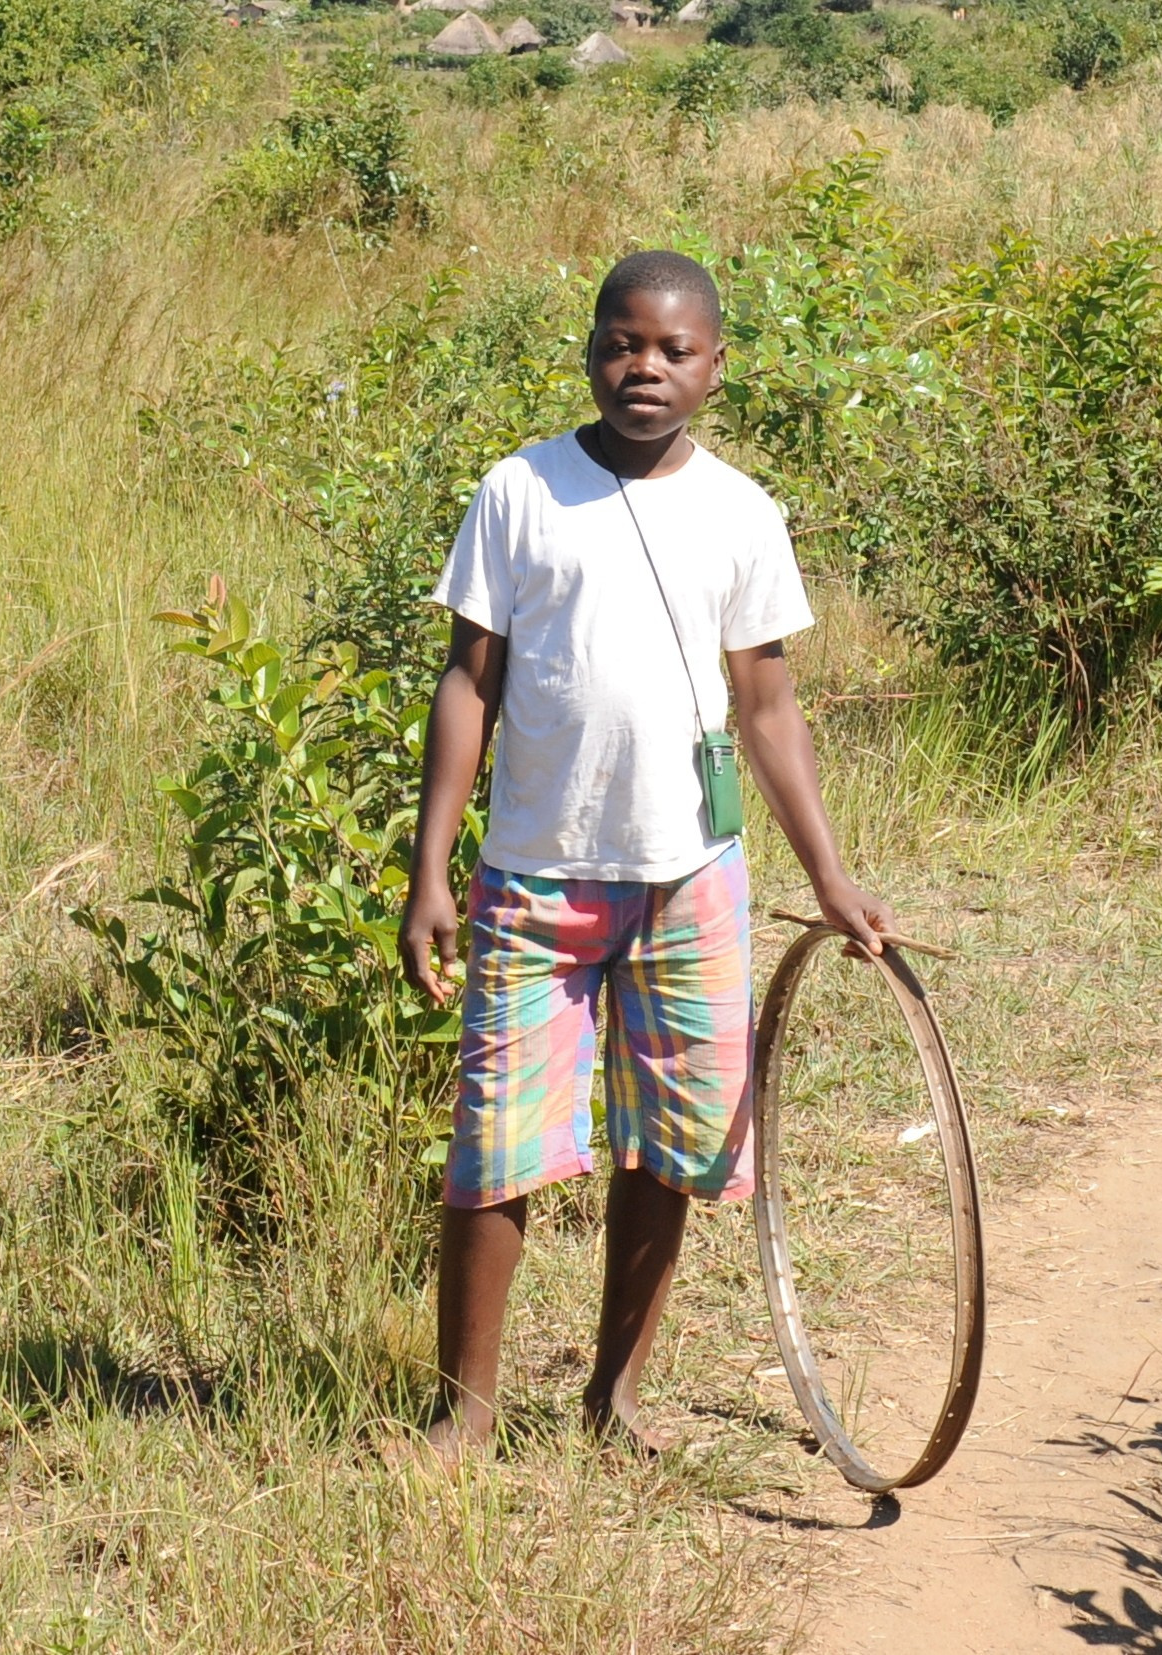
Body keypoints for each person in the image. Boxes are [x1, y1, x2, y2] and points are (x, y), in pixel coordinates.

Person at [396, 249, 894, 1460]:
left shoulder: (741, 512)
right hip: (533, 875)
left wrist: (828, 873)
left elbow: (767, 708)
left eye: (675, 350)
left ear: (717, 369)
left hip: (691, 880)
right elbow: (470, 683)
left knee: (669, 1144)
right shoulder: (520, 491)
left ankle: (612, 1396)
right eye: (625, 343)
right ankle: (463, 1412)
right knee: (493, 1146)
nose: (646, 368)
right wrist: (429, 868)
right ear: (589, 351)